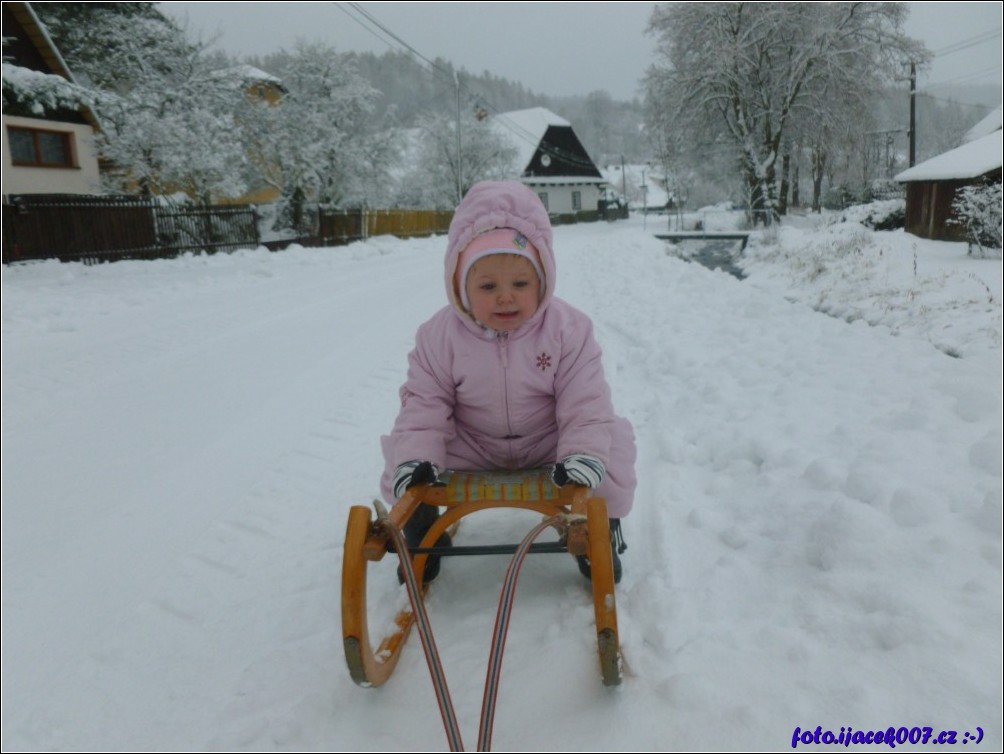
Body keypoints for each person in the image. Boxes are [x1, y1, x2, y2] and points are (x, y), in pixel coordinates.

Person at [380, 180, 637, 583]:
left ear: (542, 281)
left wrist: (581, 452)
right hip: (472, 445)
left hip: (550, 447)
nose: (505, 298)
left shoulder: (568, 330)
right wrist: (417, 459)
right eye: (487, 286)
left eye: (520, 284)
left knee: (611, 444)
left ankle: (598, 530)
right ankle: (421, 526)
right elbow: (423, 405)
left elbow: (585, 401)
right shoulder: (439, 336)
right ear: (461, 287)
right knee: (404, 451)